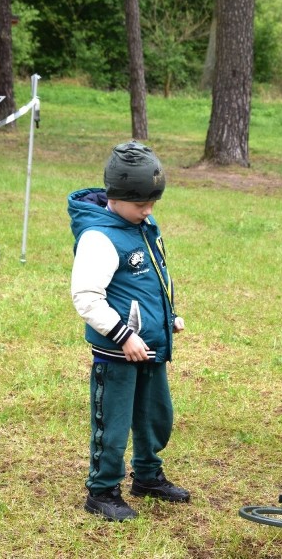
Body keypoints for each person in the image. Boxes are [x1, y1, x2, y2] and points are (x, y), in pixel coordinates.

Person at [68, 141, 190, 522]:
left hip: (151, 347)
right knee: (114, 423)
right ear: (115, 197)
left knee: (156, 416)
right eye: (141, 204)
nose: (149, 210)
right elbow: (86, 297)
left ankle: (148, 476)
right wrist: (123, 334)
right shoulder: (99, 237)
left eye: (153, 202)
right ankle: (102, 490)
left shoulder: (144, 224)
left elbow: (153, 279)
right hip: (118, 352)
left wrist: (168, 318)